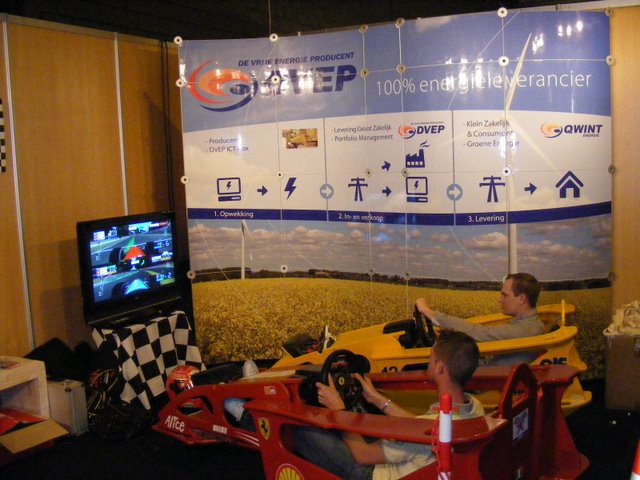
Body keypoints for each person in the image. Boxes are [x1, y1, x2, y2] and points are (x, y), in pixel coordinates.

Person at [294, 330, 483, 480]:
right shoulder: (473, 407)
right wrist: (377, 399)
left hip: (373, 473)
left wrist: (339, 410)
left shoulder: (430, 435)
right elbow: (421, 424)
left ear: (440, 367)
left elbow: (363, 455)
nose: (428, 362)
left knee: (298, 430)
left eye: (431, 359)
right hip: (412, 462)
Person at [414, 272, 543, 365]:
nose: (500, 300)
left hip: (483, 383)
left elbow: (478, 333)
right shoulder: (529, 325)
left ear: (521, 299)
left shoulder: (526, 329)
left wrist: (429, 312)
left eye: (504, 295)